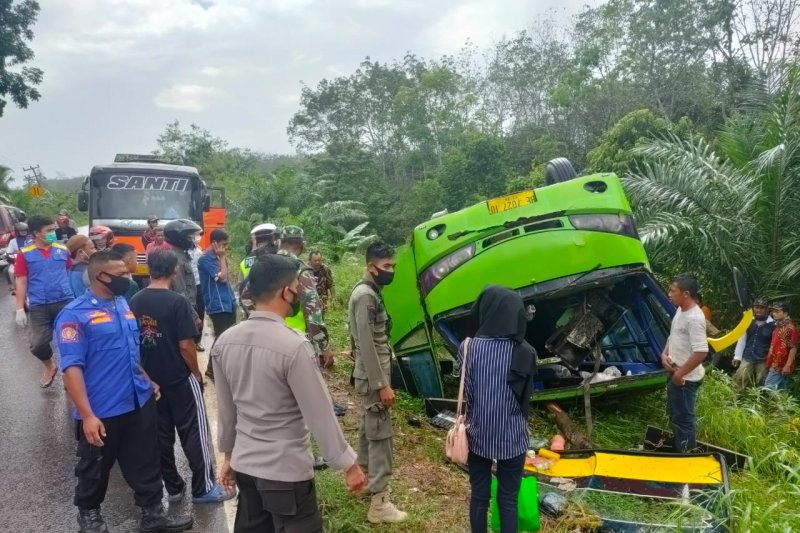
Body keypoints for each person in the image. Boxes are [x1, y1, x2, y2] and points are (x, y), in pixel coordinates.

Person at [212, 253, 366, 532]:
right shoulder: (294, 347)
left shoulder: (225, 342)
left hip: (246, 467)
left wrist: (228, 456)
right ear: (285, 292)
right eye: (297, 288)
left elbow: (226, 410)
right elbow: (319, 413)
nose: (298, 294)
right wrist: (348, 465)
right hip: (285, 473)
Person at [55, 250, 193, 533]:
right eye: (121, 274)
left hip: (137, 400)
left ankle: (152, 514)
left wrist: (147, 380)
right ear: (100, 276)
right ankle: (90, 517)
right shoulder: (74, 315)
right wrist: (87, 415)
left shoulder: (122, 304)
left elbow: (131, 352)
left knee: (146, 459)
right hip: (101, 408)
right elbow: (71, 369)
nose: (128, 278)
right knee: (95, 466)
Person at [131, 250, 235, 504]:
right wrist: (196, 373)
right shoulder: (177, 302)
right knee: (194, 431)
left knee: (161, 434)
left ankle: (174, 486)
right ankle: (203, 488)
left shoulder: (135, 300)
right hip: (179, 376)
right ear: (174, 270)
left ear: (150, 270)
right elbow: (186, 345)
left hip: (151, 378)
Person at [460, 286, 536, 533]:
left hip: (477, 434)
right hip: (512, 437)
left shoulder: (468, 347)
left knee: (479, 497)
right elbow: (526, 399)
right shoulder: (525, 352)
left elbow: (467, 390)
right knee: (508, 500)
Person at [348, 241, 408, 523]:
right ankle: (380, 502)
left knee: (367, 428)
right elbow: (367, 344)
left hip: (372, 375)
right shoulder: (365, 296)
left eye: (393, 265)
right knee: (380, 434)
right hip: (375, 377)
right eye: (386, 266)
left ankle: (363, 479)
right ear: (371, 266)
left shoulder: (370, 292)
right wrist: (381, 384)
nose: (391, 271)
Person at [15, 214, 75, 387]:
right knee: (38, 344)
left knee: (71, 340)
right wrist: (19, 308)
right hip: (39, 305)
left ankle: (72, 376)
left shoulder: (62, 250)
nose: (53, 233)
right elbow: (21, 281)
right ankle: (50, 365)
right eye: (49, 230)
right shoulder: (24, 254)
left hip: (65, 302)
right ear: (36, 233)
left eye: (53, 229)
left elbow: (69, 271)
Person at [662, 274, 708, 453]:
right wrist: (664, 353)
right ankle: (679, 452)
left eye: (673, 290)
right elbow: (674, 334)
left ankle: (687, 458)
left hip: (685, 379)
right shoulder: (681, 310)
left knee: (684, 420)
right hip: (675, 373)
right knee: (675, 416)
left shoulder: (694, 318)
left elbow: (701, 352)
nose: (669, 294)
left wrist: (679, 375)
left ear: (686, 294)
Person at [279, 226, 333, 368]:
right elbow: (312, 313)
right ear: (301, 244)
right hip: (295, 339)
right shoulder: (301, 270)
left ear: (280, 242)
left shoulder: (264, 264)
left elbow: (247, 298)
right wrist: (324, 346)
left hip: (266, 336)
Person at [197, 229, 237, 382]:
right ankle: (210, 370)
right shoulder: (205, 259)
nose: (225, 248)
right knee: (221, 338)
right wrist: (222, 257)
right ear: (214, 243)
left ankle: (222, 368)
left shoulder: (220, 257)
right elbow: (223, 278)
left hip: (229, 302)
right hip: (217, 304)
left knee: (229, 338)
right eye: (223, 245)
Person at [163, 219, 201, 326]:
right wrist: (194, 316)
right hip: (184, 310)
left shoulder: (183, 255)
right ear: (180, 238)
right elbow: (180, 291)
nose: (193, 240)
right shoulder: (177, 259)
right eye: (190, 237)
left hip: (187, 307)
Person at [732, 298, 775, 392]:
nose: (759, 310)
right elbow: (742, 339)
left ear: (767, 309)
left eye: (762, 308)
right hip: (748, 356)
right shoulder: (747, 321)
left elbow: (774, 343)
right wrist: (737, 356)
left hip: (763, 359)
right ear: (753, 308)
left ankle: (760, 400)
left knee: (762, 382)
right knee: (740, 379)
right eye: (756, 307)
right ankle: (736, 399)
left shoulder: (772, 324)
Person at [238, 223, 279, 317]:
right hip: (277, 313)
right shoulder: (280, 258)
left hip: (252, 312)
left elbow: (240, 289)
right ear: (274, 240)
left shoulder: (245, 261)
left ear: (255, 241)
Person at [764, 302, 798, 391]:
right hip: (775, 363)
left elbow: (793, 348)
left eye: (777, 311)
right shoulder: (779, 325)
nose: (774, 313)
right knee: (781, 390)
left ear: (785, 313)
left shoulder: (790, 328)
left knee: (768, 389)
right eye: (773, 311)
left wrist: (787, 365)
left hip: (781, 366)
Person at [188, 230, 206, 352]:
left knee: (200, 312)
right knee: (189, 312)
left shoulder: (199, 250)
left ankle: (197, 341)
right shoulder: (183, 252)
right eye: (195, 235)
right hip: (188, 286)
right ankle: (189, 339)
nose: (197, 237)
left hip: (199, 285)